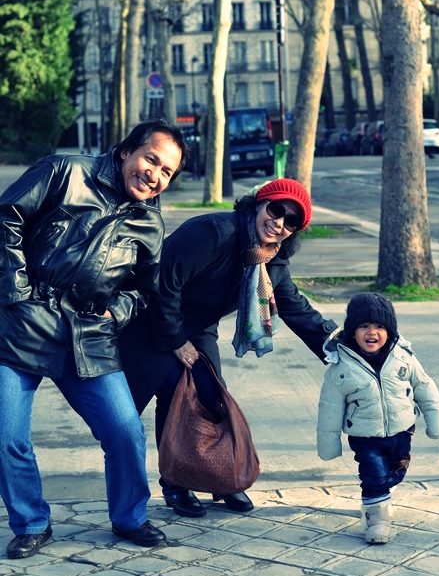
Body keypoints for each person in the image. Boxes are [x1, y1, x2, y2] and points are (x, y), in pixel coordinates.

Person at [0, 117, 187, 559]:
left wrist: (114, 312)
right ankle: (31, 522)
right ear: (125, 152)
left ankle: (129, 517)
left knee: (124, 429)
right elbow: (5, 217)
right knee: (7, 433)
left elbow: (144, 290)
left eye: (166, 172)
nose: (154, 175)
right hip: (25, 322)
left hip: (88, 334)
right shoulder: (64, 171)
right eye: (150, 160)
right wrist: (18, 293)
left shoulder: (150, 223)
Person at [120, 178, 338, 518]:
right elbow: (163, 283)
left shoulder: (271, 259)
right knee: (169, 396)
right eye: (276, 209)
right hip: (149, 320)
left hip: (197, 327)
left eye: (291, 221)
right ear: (258, 204)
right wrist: (176, 340)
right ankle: (175, 484)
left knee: (211, 398)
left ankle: (218, 477)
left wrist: (340, 347)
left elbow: (296, 308)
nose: (279, 223)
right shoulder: (212, 232)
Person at [317, 293, 439, 544]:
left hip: (402, 431)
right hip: (364, 436)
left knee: (394, 473)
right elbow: (329, 408)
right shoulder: (341, 368)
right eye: (363, 326)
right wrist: (329, 445)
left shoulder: (403, 357)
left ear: (389, 331)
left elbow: (425, 387)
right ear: (352, 332)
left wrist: (436, 422)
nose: (372, 332)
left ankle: (380, 498)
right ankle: (377, 520)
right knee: (373, 476)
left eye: (379, 326)